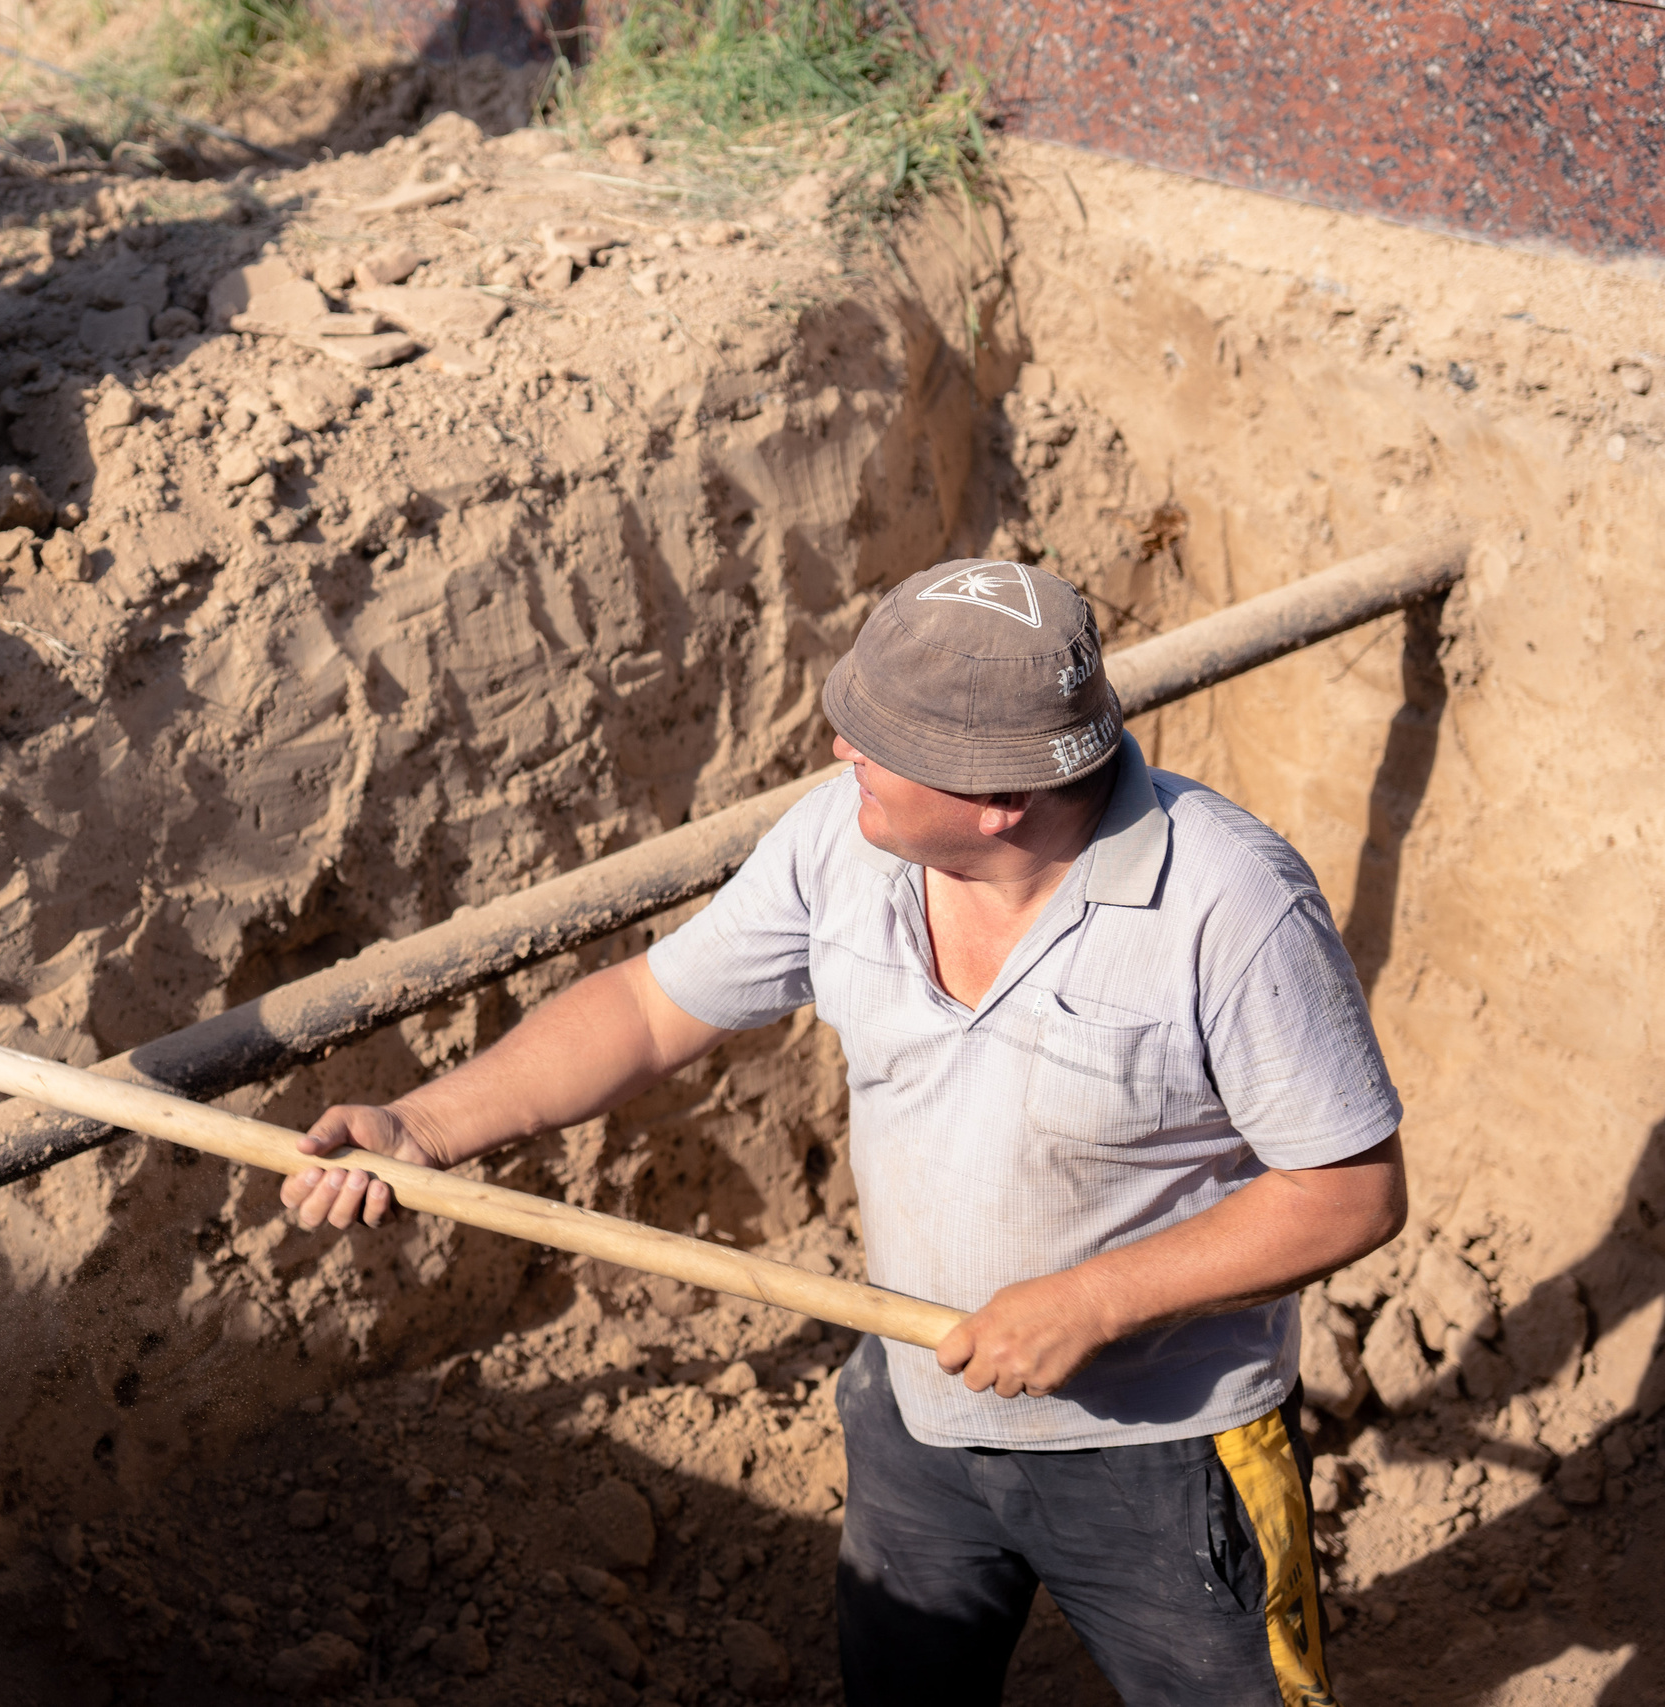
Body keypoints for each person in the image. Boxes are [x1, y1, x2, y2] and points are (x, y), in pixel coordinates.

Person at [280, 559, 1403, 1707]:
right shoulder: (842, 841)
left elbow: (1347, 1191)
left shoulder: (1230, 905)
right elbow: (650, 1011)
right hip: (915, 1414)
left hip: (1165, 1457)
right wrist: (422, 1124)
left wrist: (1092, 1301)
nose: (838, 751)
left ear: (996, 799)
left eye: (878, 742)